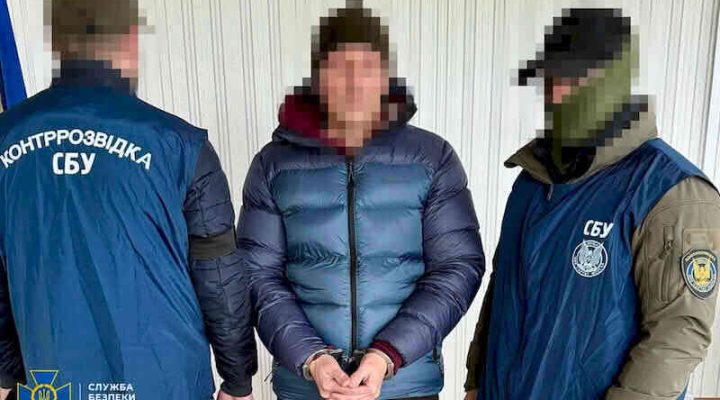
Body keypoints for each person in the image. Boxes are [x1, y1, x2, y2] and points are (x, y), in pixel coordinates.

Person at [0, 1, 256, 399]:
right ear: (131, 39)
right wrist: (237, 380)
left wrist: (5, 373)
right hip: (167, 381)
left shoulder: (6, 139)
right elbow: (220, 277)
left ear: (58, 44)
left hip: (55, 380)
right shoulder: (181, 146)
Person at [464, 8, 719, 400]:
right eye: (551, 81)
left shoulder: (671, 193)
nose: (555, 96)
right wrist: (476, 382)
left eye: (573, 80)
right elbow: (501, 290)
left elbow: (678, 333)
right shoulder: (532, 182)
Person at [236, 2, 485, 400]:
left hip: (404, 386)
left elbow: (457, 266)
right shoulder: (273, 165)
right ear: (318, 78)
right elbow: (255, 274)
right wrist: (312, 358)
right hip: (307, 387)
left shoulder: (431, 158)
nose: (354, 83)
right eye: (339, 67)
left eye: (367, 67)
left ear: (385, 77)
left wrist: (387, 354)